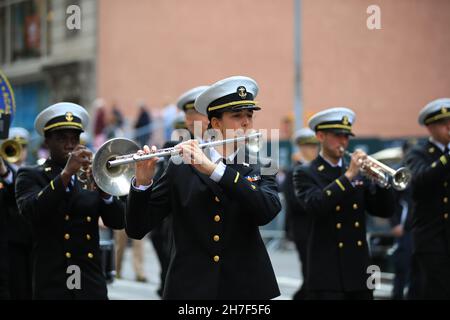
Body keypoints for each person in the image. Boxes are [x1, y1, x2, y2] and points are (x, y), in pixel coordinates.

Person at [125, 76, 281, 299]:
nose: (246, 122)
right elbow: (137, 228)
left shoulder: (263, 164)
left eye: (249, 115)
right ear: (216, 123)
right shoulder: (180, 166)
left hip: (245, 290)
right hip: (190, 289)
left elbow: (266, 211)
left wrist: (216, 171)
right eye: (237, 116)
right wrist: (142, 183)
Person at [15, 102, 125, 300]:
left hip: (89, 279)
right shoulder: (30, 175)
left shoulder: (90, 175)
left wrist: (105, 193)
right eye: (62, 138)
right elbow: (30, 211)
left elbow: (118, 221)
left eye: (74, 138)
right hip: (52, 280)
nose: (70, 144)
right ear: (47, 142)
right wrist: (66, 173)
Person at [293, 107, 395, 300]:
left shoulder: (357, 173)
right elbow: (315, 205)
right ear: (321, 136)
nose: (344, 141)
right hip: (327, 271)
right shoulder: (306, 172)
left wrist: (381, 184)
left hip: (360, 268)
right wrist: (348, 176)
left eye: (347, 136)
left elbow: (384, 211)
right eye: (338, 135)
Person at [405, 98, 450, 299]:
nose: (449, 126)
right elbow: (420, 180)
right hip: (431, 239)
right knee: (434, 291)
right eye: (444, 123)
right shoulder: (417, 153)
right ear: (430, 127)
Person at [281, 128, 319, 300]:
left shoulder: (317, 169)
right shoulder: (294, 171)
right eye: (309, 146)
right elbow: (295, 202)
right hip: (302, 229)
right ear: (301, 148)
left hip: (318, 228)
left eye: (315, 146)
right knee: (310, 269)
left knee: (317, 270)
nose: (314, 150)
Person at [0, 127, 33, 299]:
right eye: (14, 146)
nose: (19, 151)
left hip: (25, 241)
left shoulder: (33, 171)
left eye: (23, 146)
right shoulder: (4, 171)